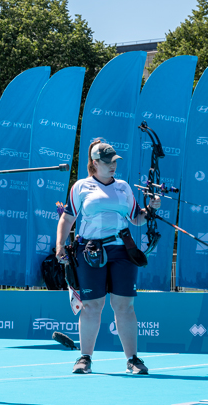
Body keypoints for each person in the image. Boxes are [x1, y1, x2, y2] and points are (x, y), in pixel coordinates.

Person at [55, 139, 159, 375]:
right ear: (94, 163)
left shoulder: (123, 187)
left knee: (124, 306)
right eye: (107, 162)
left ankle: (133, 359)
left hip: (123, 250)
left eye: (114, 161)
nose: (113, 165)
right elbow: (68, 218)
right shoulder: (81, 187)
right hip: (90, 251)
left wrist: (151, 209)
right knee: (92, 306)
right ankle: (85, 358)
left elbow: (137, 218)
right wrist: (60, 244)